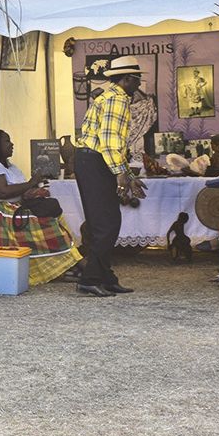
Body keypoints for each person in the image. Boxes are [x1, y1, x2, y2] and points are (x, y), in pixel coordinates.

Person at [73, 55, 146, 297]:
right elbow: (110, 142)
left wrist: (124, 171)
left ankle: (105, 276)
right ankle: (91, 278)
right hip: (95, 161)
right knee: (106, 223)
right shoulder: (117, 99)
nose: (139, 84)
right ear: (127, 79)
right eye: (137, 79)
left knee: (103, 222)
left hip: (91, 160)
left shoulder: (108, 96)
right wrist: (121, 174)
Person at [0, 130, 83, 285]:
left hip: (16, 205)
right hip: (2, 210)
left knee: (53, 214)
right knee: (42, 221)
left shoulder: (11, 167)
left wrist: (33, 191)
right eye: (7, 141)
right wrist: (30, 183)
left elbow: (19, 190)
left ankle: (66, 263)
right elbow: (1, 192)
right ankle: (71, 263)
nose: (12, 144)